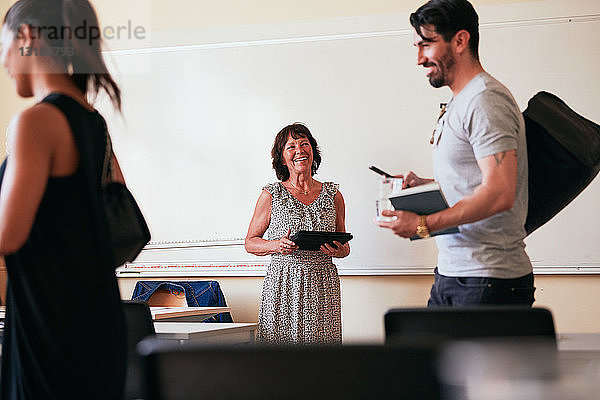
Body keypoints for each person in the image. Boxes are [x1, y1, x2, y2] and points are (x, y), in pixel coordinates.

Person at [0, 1, 127, 398]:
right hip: (98, 322)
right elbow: (119, 217)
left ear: (26, 36)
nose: (3, 63)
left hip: (50, 326)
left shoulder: (35, 121)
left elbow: (7, 235)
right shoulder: (94, 123)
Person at [377, 0, 535, 306]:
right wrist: (424, 184)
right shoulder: (461, 102)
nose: (419, 58)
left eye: (427, 44)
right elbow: (474, 179)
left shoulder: (485, 100)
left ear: (460, 40)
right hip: (454, 274)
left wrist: (423, 225)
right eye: (416, 46)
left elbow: (500, 192)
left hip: (488, 280)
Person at [245, 123, 350, 344]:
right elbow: (250, 243)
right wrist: (276, 245)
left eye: (305, 144)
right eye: (291, 147)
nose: (300, 150)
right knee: (282, 355)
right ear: (282, 158)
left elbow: (345, 245)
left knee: (322, 354)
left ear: (313, 151)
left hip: (323, 284)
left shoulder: (334, 195)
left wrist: (339, 251)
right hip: (284, 282)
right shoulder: (271, 194)